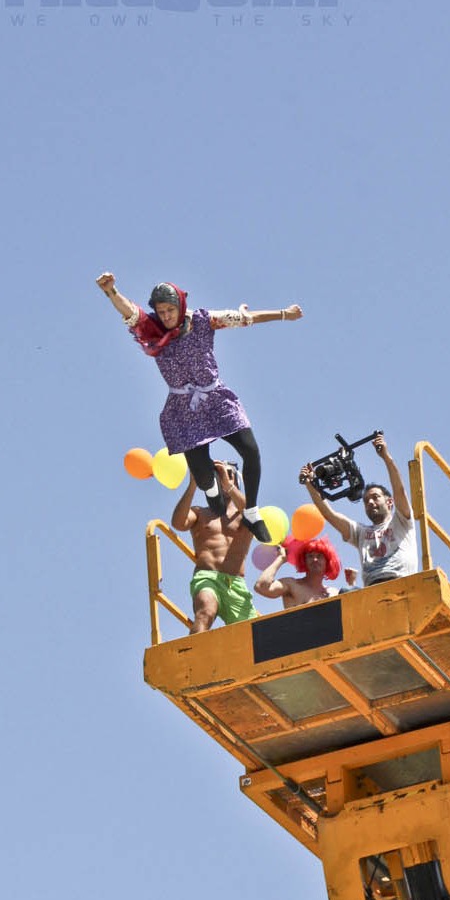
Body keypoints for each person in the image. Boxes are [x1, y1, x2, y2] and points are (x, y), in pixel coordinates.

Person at [96, 271, 303, 541]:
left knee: (251, 451)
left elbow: (246, 319)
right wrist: (111, 291)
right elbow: (129, 311)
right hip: (183, 408)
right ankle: (212, 490)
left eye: (171, 310)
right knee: (203, 476)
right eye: (161, 311)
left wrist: (285, 313)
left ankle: (251, 511)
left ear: (180, 306)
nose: (167, 316)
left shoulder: (203, 320)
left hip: (215, 398)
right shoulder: (152, 329)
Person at [299, 431, 418, 586]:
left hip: (402, 583)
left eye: (375, 497)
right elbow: (329, 514)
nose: (370, 502)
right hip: (372, 590)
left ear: (390, 502)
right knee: (345, 594)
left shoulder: (401, 521)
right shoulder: (361, 533)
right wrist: (310, 484)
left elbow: (399, 490)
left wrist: (386, 457)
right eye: (366, 500)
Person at [171, 461, 258, 632]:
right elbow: (178, 523)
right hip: (207, 577)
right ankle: (192, 657)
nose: (223, 478)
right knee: (205, 612)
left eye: (229, 474)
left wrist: (230, 486)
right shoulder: (200, 513)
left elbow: (255, 517)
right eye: (218, 475)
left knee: (250, 634)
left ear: (236, 480)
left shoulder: (245, 515)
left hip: (236, 584)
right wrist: (193, 485)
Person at [254, 535, 357, 608]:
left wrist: (351, 584)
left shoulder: (333, 592)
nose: (315, 559)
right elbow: (261, 587)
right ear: (304, 561)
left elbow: (351, 614)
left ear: (328, 562)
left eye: (319, 556)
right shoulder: (292, 585)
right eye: (310, 556)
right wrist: (281, 559)